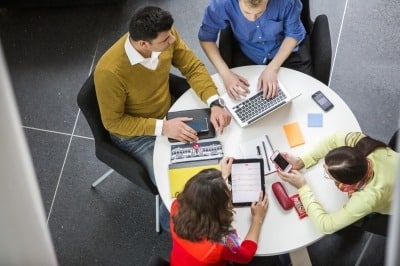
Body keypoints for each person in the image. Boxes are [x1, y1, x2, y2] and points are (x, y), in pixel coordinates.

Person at [93, 6, 231, 232]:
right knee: (174, 185)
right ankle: (174, 223)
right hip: (136, 135)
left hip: (169, 111)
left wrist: (214, 102)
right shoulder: (109, 73)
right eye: (165, 40)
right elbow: (113, 123)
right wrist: (163, 128)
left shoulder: (166, 35)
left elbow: (192, 66)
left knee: (214, 151)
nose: (172, 40)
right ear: (143, 45)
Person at [276, 132, 399, 234]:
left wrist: (302, 187)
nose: (324, 168)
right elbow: (333, 139)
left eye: (327, 174)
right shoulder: (362, 144)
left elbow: (326, 225)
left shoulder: (367, 199)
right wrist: (301, 161)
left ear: (347, 183)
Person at [198, 0, 312, 100]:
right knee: (242, 102)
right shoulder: (221, 3)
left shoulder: (286, 2)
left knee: (302, 97)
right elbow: (206, 38)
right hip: (248, 54)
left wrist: (272, 68)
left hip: (284, 52)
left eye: (260, 13)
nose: (252, 19)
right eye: (247, 12)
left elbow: (294, 34)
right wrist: (225, 73)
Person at [170, 157, 268, 265]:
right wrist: (257, 219)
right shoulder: (219, 245)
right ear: (218, 211)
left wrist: (220, 180)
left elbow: (203, 197)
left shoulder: (176, 206)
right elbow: (247, 255)